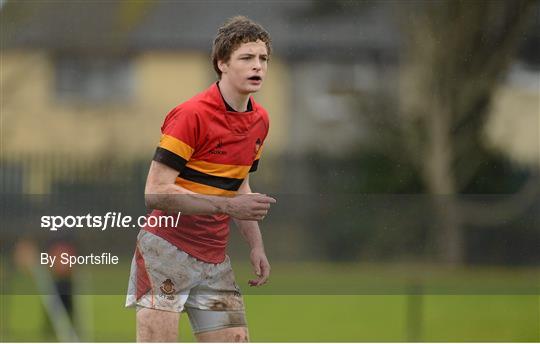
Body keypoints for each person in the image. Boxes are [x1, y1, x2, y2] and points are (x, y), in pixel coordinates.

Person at [126, 16, 276, 342]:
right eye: (247, 58)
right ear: (222, 63)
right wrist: (228, 205)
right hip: (167, 251)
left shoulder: (260, 121)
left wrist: (256, 246)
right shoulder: (191, 115)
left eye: (263, 58)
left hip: (214, 258)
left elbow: (239, 187)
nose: (258, 66)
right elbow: (155, 193)